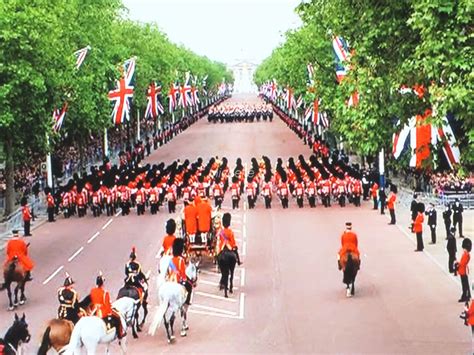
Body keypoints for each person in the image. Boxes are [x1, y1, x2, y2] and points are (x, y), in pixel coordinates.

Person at [90, 272, 124, 339]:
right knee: (118, 318)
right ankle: (120, 334)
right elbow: (107, 305)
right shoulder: (105, 293)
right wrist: (111, 310)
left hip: (94, 311)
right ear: (102, 283)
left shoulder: (92, 291)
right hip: (103, 312)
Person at [168, 238, 193, 305]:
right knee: (189, 286)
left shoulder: (170, 259)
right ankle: (187, 302)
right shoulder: (181, 260)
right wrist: (185, 279)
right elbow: (183, 273)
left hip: (170, 280)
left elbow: (168, 271)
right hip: (178, 280)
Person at [457, 238, 472, 302]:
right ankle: (467, 295)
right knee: (465, 284)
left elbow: (462, 263)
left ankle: (465, 296)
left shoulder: (466, 254)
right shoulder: (466, 254)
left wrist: (458, 264)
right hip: (463, 270)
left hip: (463, 271)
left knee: (464, 285)